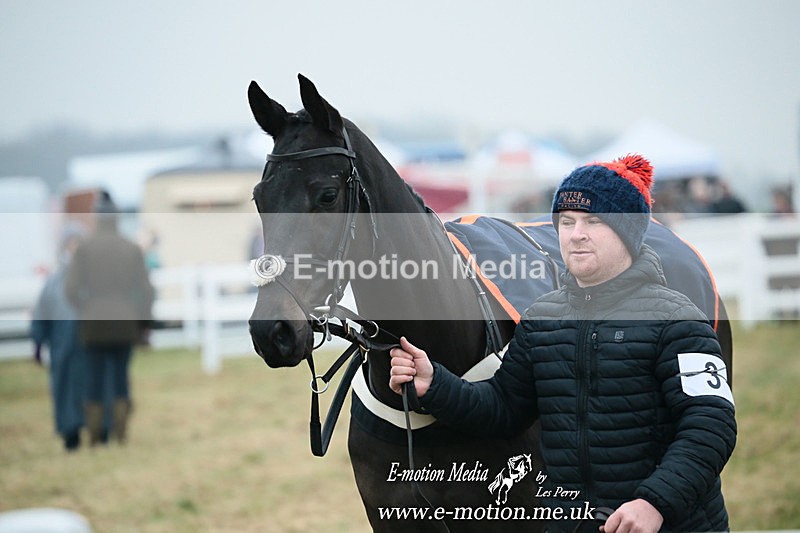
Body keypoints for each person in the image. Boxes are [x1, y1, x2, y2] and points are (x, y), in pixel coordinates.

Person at [390, 155, 737, 532]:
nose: (576, 234)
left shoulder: (678, 318)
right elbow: (504, 408)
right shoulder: (542, 318)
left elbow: (711, 427)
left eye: (593, 221)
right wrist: (435, 384)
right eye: (566, 222)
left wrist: (654, 503)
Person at [65, 191, 154, 446]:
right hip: (124, 322)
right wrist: (143, 321)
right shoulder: (131, 248)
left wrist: (85, 308)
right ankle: (121, 434)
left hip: (93, 322)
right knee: (120, 377)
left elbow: (71, 290)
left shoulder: (84, 249)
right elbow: (146, 291)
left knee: (93, 378)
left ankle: (94, 436)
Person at [30, 222, 89, 451]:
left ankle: (96, 429)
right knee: (64, 388)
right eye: (70, 244)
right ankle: (69, 432)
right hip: (62, 346)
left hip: (88, 344)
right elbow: (41, 312)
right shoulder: (53, 282)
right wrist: (37, 342)